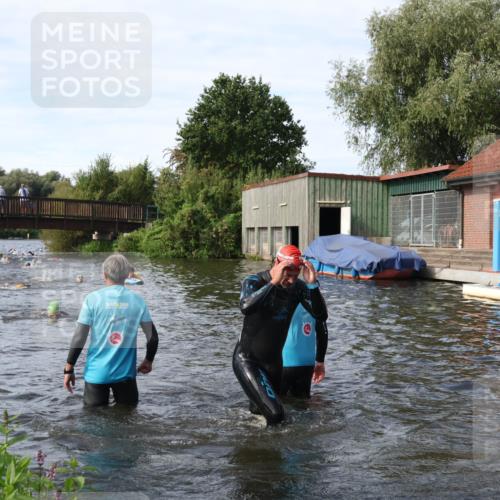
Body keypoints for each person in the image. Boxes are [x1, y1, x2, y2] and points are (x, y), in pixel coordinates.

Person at [233, 245, 328, 425]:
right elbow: (245, 307)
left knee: (259, 415)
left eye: (296, 274)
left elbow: (321, 316)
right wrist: (273, 282)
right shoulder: (254, 281)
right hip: (248, 360)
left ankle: (255, 447)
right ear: (277, 264)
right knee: (276, 415)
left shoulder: (298, 288)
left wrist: (312, 285)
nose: (291, 280)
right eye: (288, 274)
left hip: (274, 364)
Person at [63, 254, 159, 406]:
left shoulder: (92, 299)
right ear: (127, 275)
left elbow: (79, 337)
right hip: (126, 376)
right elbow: (152, 337)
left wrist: (69, 369)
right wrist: (148, 360)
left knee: (93, 423)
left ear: (104, 274)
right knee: (127, 423)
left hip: (97, 375)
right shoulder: (137, 300)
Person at [281, 303, 329, 398]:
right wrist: (320, 362)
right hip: (307, 363)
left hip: (283, 360)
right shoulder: (315, 298)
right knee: (302, 405)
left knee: (279, 404)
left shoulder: (281, 293)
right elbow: (323, 332)